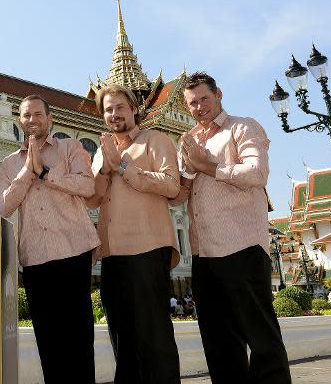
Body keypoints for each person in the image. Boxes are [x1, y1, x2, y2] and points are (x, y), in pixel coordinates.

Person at [171, 71, 290, 383]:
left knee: (262, 340)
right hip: (204, 254)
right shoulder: (190, 141)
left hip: (242, 246)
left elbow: (256, 173)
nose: (199, 107)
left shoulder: (242, 127)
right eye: (192, 103)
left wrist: (206, 166)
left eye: (204, 99)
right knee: (220, 345)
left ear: (218, 94)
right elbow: (180, 196)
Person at [0, 95, 99, 383]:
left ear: (49, 119)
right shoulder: (9, 164)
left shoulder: (69, 147)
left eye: (37, 114)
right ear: (20, 121)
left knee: (78, 337)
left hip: (72, 250)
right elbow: (2, 207)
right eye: (26, 115)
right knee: (48, 339)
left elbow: (87, 185)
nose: (32, 120)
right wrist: (27, 173)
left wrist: (45, 173)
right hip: (35, 256)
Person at [86, 84, 181, 383]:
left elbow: (172, 185)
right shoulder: (102, 152)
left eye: (120, 107)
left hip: (148, 247)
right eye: (108, 110)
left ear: (134, 108)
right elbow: (92, 199)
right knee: (122, 336)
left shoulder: (156, 140)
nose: (114, 114)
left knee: (154, 335)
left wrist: (124, 166)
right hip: (113, 253)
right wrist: (105, 169)